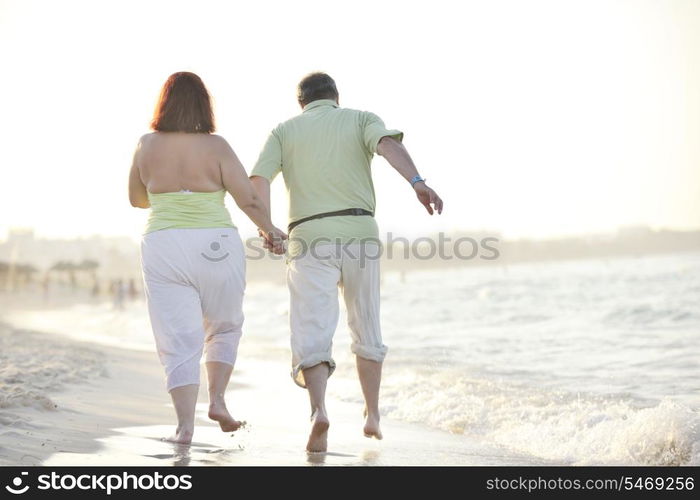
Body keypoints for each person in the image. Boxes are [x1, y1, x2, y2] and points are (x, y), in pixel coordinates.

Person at [250, 72, 443, 452]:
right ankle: (371, 414)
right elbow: (388, 146)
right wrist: (417, 181)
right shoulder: (361, 119)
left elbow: (259, 180)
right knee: (366, 323)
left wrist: (267, 227)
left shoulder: (284, 131)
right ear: (336, 97)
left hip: (308, 236)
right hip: (359, 231)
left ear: (301, 103)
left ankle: (319, 410)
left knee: (312, 327)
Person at [129, 72, 286, 444]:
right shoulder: (217, 147)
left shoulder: (146, 144)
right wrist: (270, 230)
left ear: (163, 103)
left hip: (164, 243)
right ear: (204, 104)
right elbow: (247, 197)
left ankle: (185, 428)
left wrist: (173, 195)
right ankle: (217, 401)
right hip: (216, 243)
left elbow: (137, 199)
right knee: (225, 325)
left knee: (178, 337)